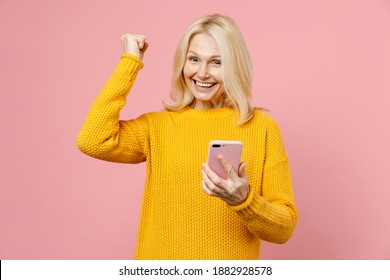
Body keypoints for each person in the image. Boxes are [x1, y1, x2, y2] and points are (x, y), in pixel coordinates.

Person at [77, 14, 298, 260]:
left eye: (217, 62)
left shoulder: (262, 128)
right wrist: (130, 62)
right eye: (194, 59)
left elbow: (284, 228)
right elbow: (92, 139)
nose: (202, 73)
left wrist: (245, 201)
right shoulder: (157, 126)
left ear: (235, 66)